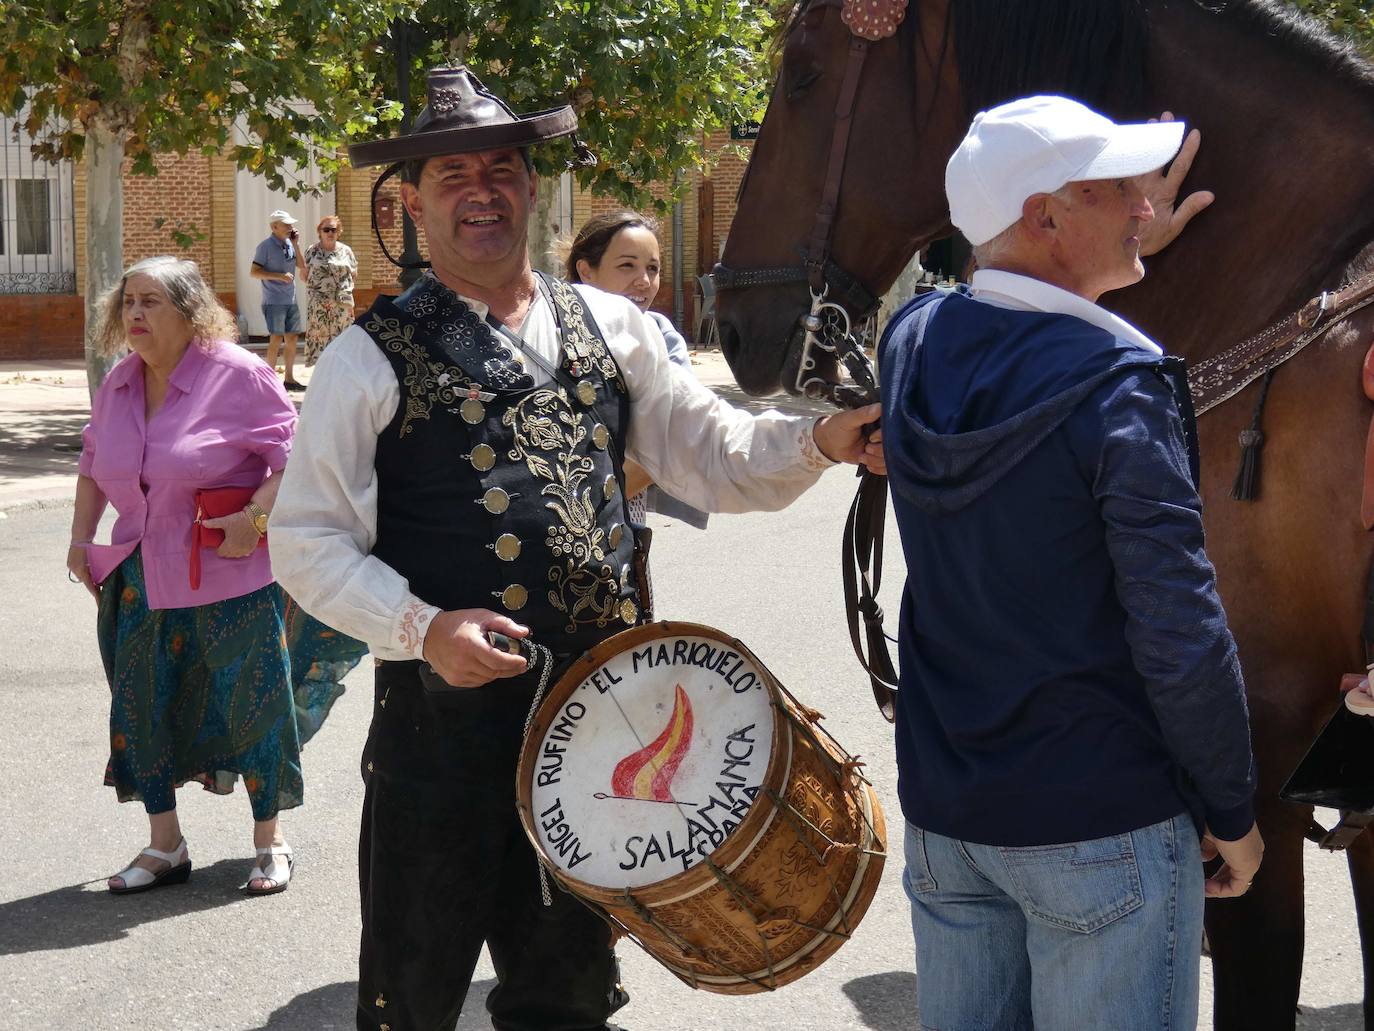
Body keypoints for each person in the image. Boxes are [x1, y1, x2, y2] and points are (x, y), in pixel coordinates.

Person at [269, 66, 883, 1031]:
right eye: (452, 174)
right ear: (412, 205)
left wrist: (817, 437)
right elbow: (305, 543)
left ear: (531, 185)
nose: (482, 189)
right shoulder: (367, 357)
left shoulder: (614, 326)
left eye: (502, 167)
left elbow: (709, 452)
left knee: (569, 995)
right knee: (412, 993)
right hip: (440, 732)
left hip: (599, 726)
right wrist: (422, 627)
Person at [878, 95, 1261, 1030]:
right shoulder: (1117, 388)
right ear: (1045, 215)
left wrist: (1103, 270)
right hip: (1100, 822)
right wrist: (1232, 808)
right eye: (1119, 189)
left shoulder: (912, 340)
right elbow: (1178, 627)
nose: (1145, 207)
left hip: (950, 819)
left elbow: (1005, 314)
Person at [67, 256, 364, 897]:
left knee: (253, 702)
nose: (136, 315)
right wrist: (79, 539)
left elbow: (294, 459)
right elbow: (94, 462)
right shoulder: (119, 382)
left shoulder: (238, 374)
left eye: (151, 302)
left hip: (228, 573)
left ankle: (269, 840)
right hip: (139, 577)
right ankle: (165, 843)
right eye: (128, 303)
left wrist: (255, 518)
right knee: (142, 705)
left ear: (190, 310)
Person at [562, 210, 709, 569]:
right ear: (586, 271)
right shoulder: (549, 332)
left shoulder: (660, 335)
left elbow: (669, 439)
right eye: (627, 266)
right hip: (544, 515)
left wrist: (591, 508)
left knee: (626, 608)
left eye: (653, 268)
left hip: (618, 509)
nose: (644, 281)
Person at [251, 209, 306, 390]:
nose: (290, 227)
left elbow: (301, 266)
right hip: (273, 300)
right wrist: (279, 276)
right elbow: (254, 272)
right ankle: (269, 382)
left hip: (290, 299)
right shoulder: (264, 246)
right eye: (286, 224)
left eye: (291, 224)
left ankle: (289, 379)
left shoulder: (290, 244)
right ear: (274, 227)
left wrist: (296, 244)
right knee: (276, 339)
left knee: (292, 339)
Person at [302, 214, 358, 367]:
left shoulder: (346, 251)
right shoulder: (311, 251)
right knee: (320, 339)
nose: (330, 233)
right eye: (326, 229)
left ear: (339, 231)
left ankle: (341, 374)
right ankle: (322, 374)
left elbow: (353, 275)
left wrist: (348, 298)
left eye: (333, 229)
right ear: (319, 232)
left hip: (341, 305)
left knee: (342, 339)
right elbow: (304, 276)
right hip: (319, 305)